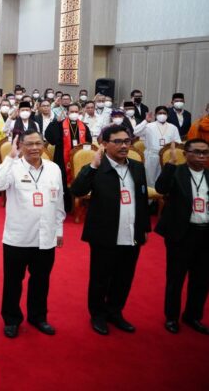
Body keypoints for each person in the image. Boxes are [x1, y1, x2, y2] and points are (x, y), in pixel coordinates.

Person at [70, 125, 150, 335]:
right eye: (118, 141)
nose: (124, 146)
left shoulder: (137, 166)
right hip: (105, 233)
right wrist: (93, 167)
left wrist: (143, 229)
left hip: (132, 232)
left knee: (124, 277)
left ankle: (115, 312)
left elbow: (141, 199)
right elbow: (77, 190)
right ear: (104, 144)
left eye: (127, 141)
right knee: (100, 277)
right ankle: (97, 314)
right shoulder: (98, 167)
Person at [0, 131, 65, 338]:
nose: (34, 148)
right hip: (18, 237)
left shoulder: (53, 169)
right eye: (29, 144)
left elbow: (59, 200)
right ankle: (11, 319)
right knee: (13, 281)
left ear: (44, 145)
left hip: (46, 236)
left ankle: (38, 317)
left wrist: (59, 229)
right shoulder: (13, 167)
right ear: (21, 145)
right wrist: (10, 158)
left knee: (41, 280)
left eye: (38, 143)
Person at [154, 139, 209, 334]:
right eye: (197, 152)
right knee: (176, 278)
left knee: (202, 279)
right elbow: (161, 188)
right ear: (186, 154)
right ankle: (171, 317)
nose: (202, 156)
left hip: (205, 234)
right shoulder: (177, 172)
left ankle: (193, 315)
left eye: (205, 153)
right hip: (181, 234)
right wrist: (170, 164)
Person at [45, 103, 92, 212]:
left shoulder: (84, 126)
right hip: (62, 158)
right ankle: (65, 206)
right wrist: (55, 122)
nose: (74, 114)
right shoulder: (60, 124)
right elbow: (51, 139)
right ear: (67, 113)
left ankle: (80, 204)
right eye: (72, 112)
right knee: (62, 181)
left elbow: (88, 142)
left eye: (76, 112)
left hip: (80, 161)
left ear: (79, 112)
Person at [133, 106, 181, 187]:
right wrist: (145, 121)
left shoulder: (173, 127)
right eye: (160, 113)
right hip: (151, 155)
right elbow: (135, 132)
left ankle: (161, 197)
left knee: (164, 177)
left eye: (164, 113)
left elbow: (177, 142)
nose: (162, 115)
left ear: (167, 115)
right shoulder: (149, 126)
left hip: (166, 156)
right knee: (149, 178)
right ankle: (151, 198)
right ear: (155, 115)